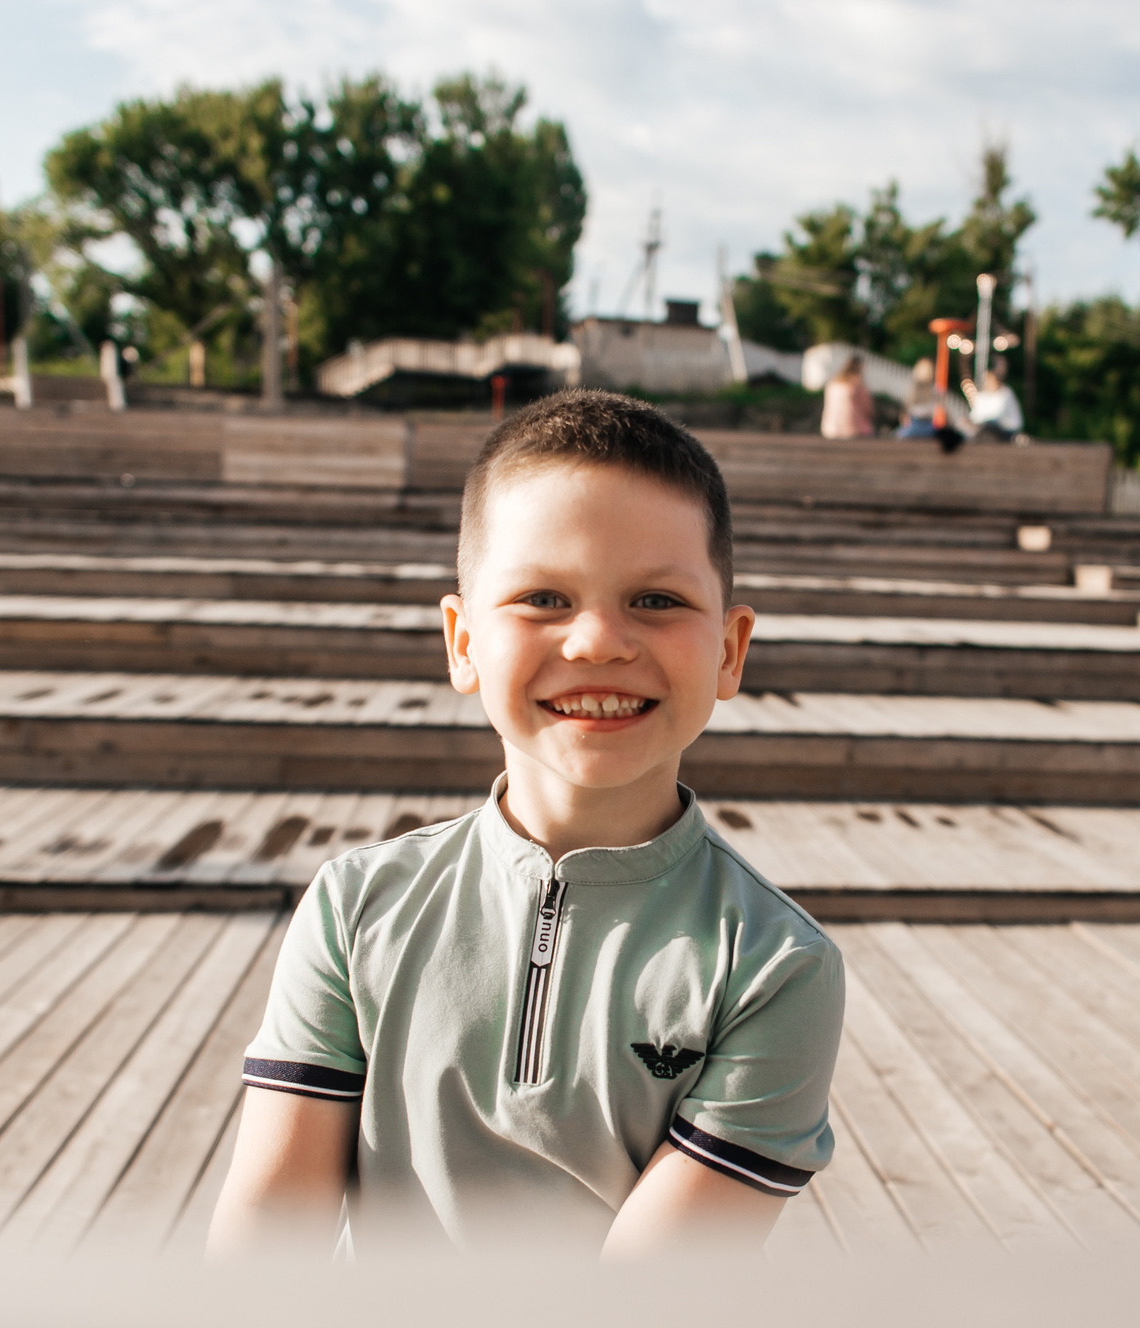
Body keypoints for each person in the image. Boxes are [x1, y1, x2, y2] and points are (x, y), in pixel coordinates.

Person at [210, 390, 845, 1260]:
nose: (596, 642)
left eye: (656, 601)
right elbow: (264, 1243)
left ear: (731, 650)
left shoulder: (773, 964)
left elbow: (647, 1297)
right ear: (462, 640)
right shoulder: (357, 907)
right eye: (543, 596)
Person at [965, 355, 1025, 443]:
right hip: (983, 431)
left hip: (1003, 433)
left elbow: (1012, 421)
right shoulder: (981, 396)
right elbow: (975, 415)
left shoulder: (1006, 394)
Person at [819, 352, 874, 439]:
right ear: (860, 366)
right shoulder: (857, 382)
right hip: (853, 429)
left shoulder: (833, 381)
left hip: (829, 429)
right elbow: (868, 407)